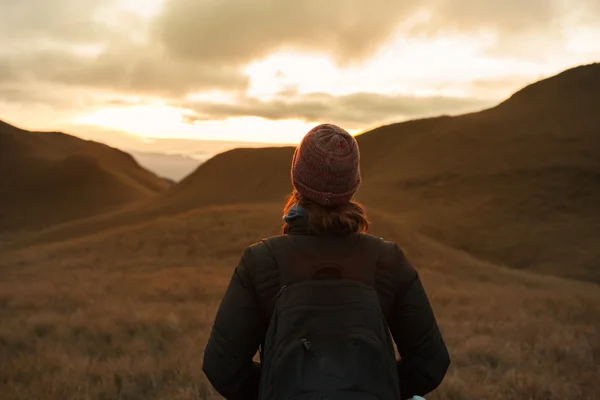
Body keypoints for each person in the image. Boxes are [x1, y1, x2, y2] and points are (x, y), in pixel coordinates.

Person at [202, 123, 450, 400]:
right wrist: (378, 387)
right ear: (353, 182)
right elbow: (431, 363)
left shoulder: (261, 261)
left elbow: (221, 367)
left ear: (298, 177)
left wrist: (277, 388)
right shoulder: (387, 259)